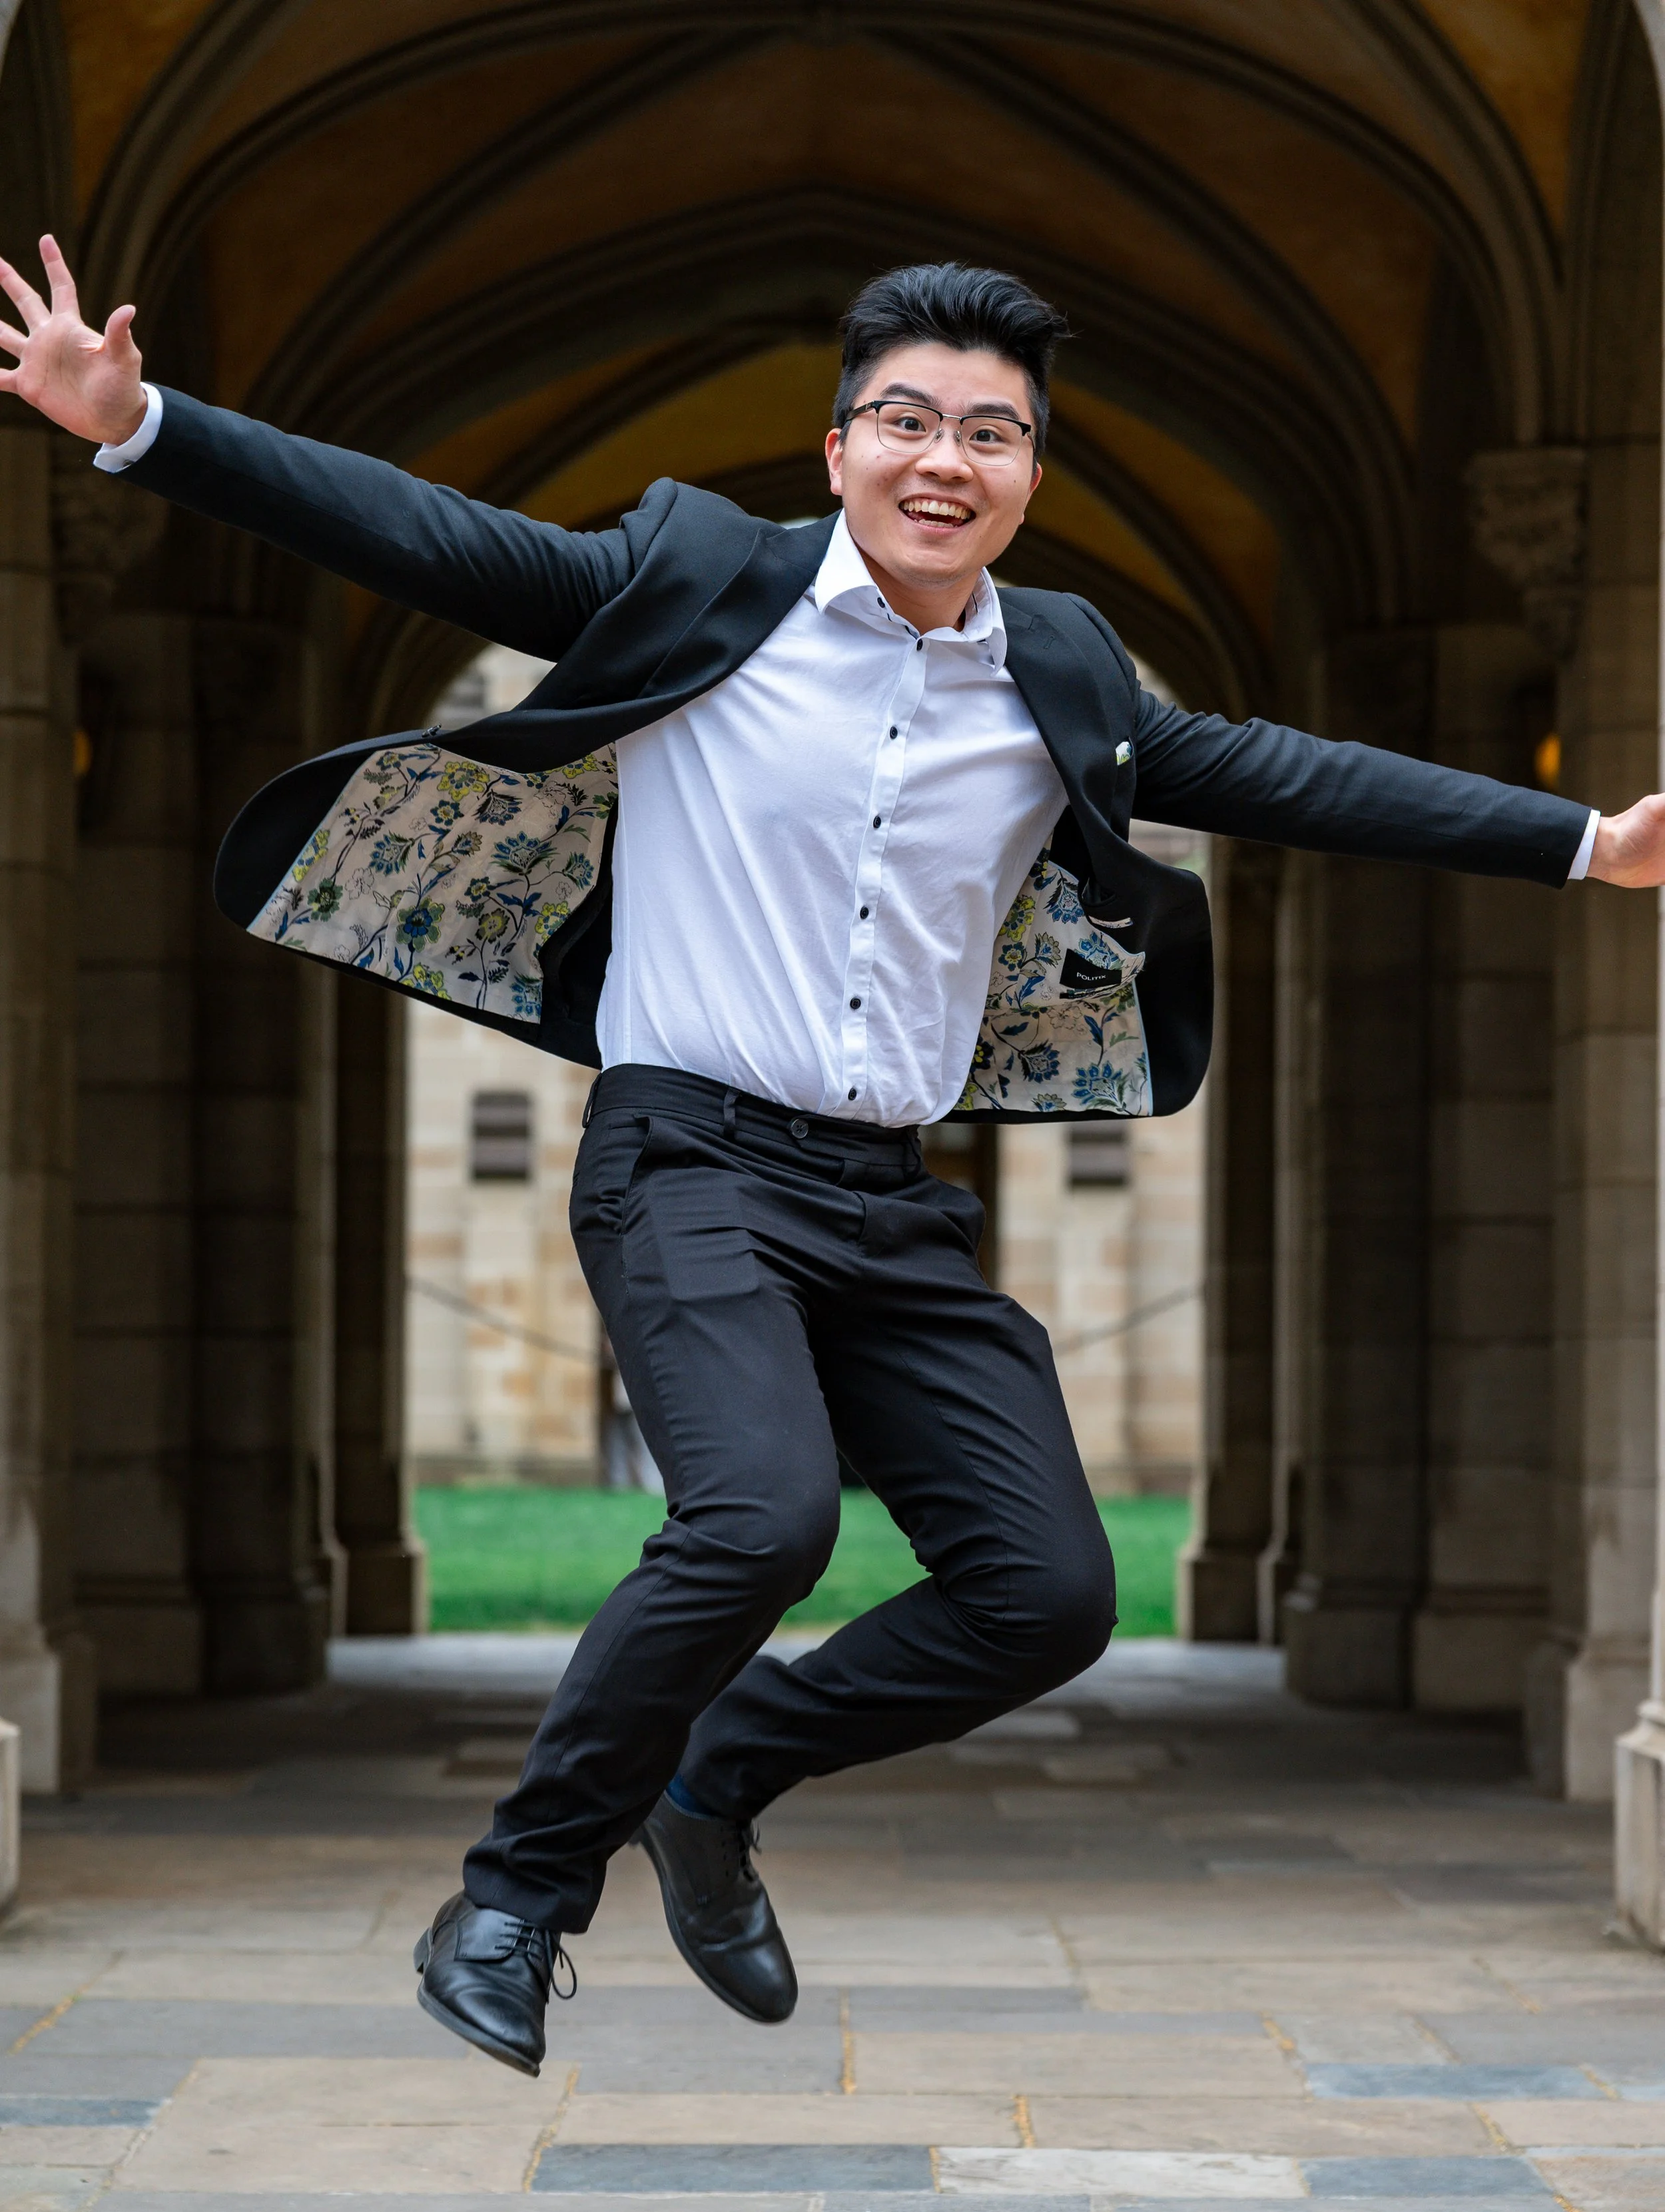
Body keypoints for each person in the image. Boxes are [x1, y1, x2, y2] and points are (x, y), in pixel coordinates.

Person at [7, 238, 1664, 2080]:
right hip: (688, 1158)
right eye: (905, 419)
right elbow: (432, 537)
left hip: (890, 1197)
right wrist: (138, 422)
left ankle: (718, 1776)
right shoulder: (696, 582)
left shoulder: (1061, 668)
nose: (942, 457)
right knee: (761, 1515)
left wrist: (1581, 840)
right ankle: (512, 1900)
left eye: (991, 431)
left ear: (1031, 475)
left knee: (1046, 1590)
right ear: (837, 446)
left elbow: (1279, 769)